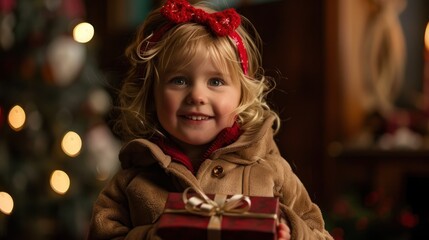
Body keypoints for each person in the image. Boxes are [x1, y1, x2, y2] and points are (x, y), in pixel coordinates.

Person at [87, 0, 333, 239]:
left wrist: (291, 232)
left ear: (242, 95)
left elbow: (320, 233)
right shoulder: (131, 180)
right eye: (179, 80)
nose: (197, 95)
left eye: (215, 81)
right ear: (152, 93)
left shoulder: (272, 171)